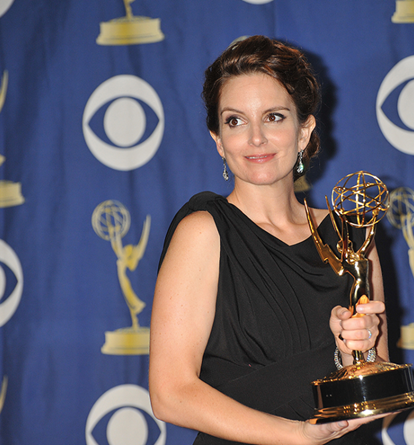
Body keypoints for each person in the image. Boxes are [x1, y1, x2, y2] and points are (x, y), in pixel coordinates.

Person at [149, 35, 389, 445]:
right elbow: (170, 395)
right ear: (218, 140)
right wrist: (297, 435)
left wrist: (351, 352)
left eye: (274, 117)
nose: (255, 138)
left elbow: (378, 397)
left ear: (304, 130)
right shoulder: (204, 231)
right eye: (235, 120)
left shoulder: (351, 234)